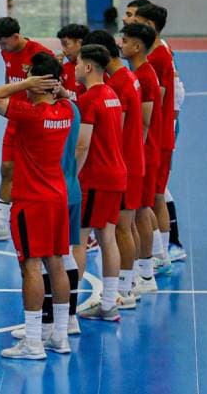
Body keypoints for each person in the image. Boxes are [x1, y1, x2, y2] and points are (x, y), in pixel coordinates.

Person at [0, 53, 75, 358]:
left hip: (31, 201)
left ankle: (33, 341)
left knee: (30, 266)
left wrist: (24, 84)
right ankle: (60, 336)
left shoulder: (28, 114)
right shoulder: (66, 111)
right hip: (57, 197)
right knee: (56, 263)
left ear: (36, 83)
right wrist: (58, 91)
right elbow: (73, 101)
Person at [0, 17, 52, 243]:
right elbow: (10, 82)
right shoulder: (6, 51)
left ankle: (43, 220)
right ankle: (1, 224)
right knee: (7, 169)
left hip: (37, 122)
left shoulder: (40, 54)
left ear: (16, 37)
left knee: (37, 174)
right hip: (15, 118)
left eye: (4, 43)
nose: (2, 48)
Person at [84, 30, 144, 309]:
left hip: (113, 168)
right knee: (120, 228)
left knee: (119, 229)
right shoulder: (124, 81)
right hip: (125, 164)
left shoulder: (115, 85)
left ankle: (124, 290)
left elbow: (111, 133)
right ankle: (125, 288)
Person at [73, 44, 126, 322]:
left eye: (78, 63)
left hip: (95, 178)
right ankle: (108, 304)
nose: (74, 67)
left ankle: (66, 312)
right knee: (107, 237)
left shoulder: (90, 99)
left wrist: (69, 175)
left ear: (89, 67)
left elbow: (82, 146)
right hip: (116, 173)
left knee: (78, 241)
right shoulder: (111, 95)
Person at [133, 3, 180, 272]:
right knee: (155, 196)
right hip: (162, 134)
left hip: (158, 138)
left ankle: (159, 254)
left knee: (153, 197)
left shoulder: (157, 59)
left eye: (133, 19)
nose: (128, 23)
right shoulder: (160, 51)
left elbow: (156, 100)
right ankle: (162, 252)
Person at [120, 23, 164, 296]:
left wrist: (133, 153)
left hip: (144, 154)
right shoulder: (140, 73)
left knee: (141, 211)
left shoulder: (145, 76)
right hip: (143, 153)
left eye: (124, 40)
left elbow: (145, 122)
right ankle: (141, 270)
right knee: (138, 212)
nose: (120, 44)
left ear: (137, 46)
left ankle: (146, 274)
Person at [56, 23, 90, 97]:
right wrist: (56, 71)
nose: (63, 50)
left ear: (79, 42)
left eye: (66, 44)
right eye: (62, 45)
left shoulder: (93, 69)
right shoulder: (63, 68)